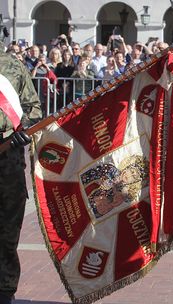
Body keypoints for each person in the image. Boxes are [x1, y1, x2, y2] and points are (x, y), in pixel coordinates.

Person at [0, 33, 43, 304]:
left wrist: (22, 129)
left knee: (7, 228)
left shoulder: (13, 67)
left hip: (7, 159)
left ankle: (5, 289)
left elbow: (33, 108)